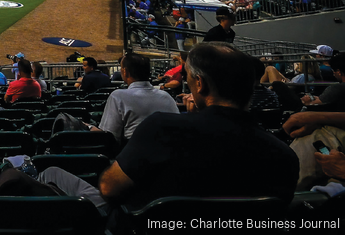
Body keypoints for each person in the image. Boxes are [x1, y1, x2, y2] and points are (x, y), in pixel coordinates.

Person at [88, 43, 299, 209]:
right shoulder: (284, 155)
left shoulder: (161, 127)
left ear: (200, 84)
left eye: (188, 79)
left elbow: (109, 188)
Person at [89, 52, 178, 142]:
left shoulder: (118, 96)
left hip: (134, 151)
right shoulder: (166, 97)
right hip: (167, 151)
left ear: (125, 72)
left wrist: (88, 127)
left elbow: (109, 136)